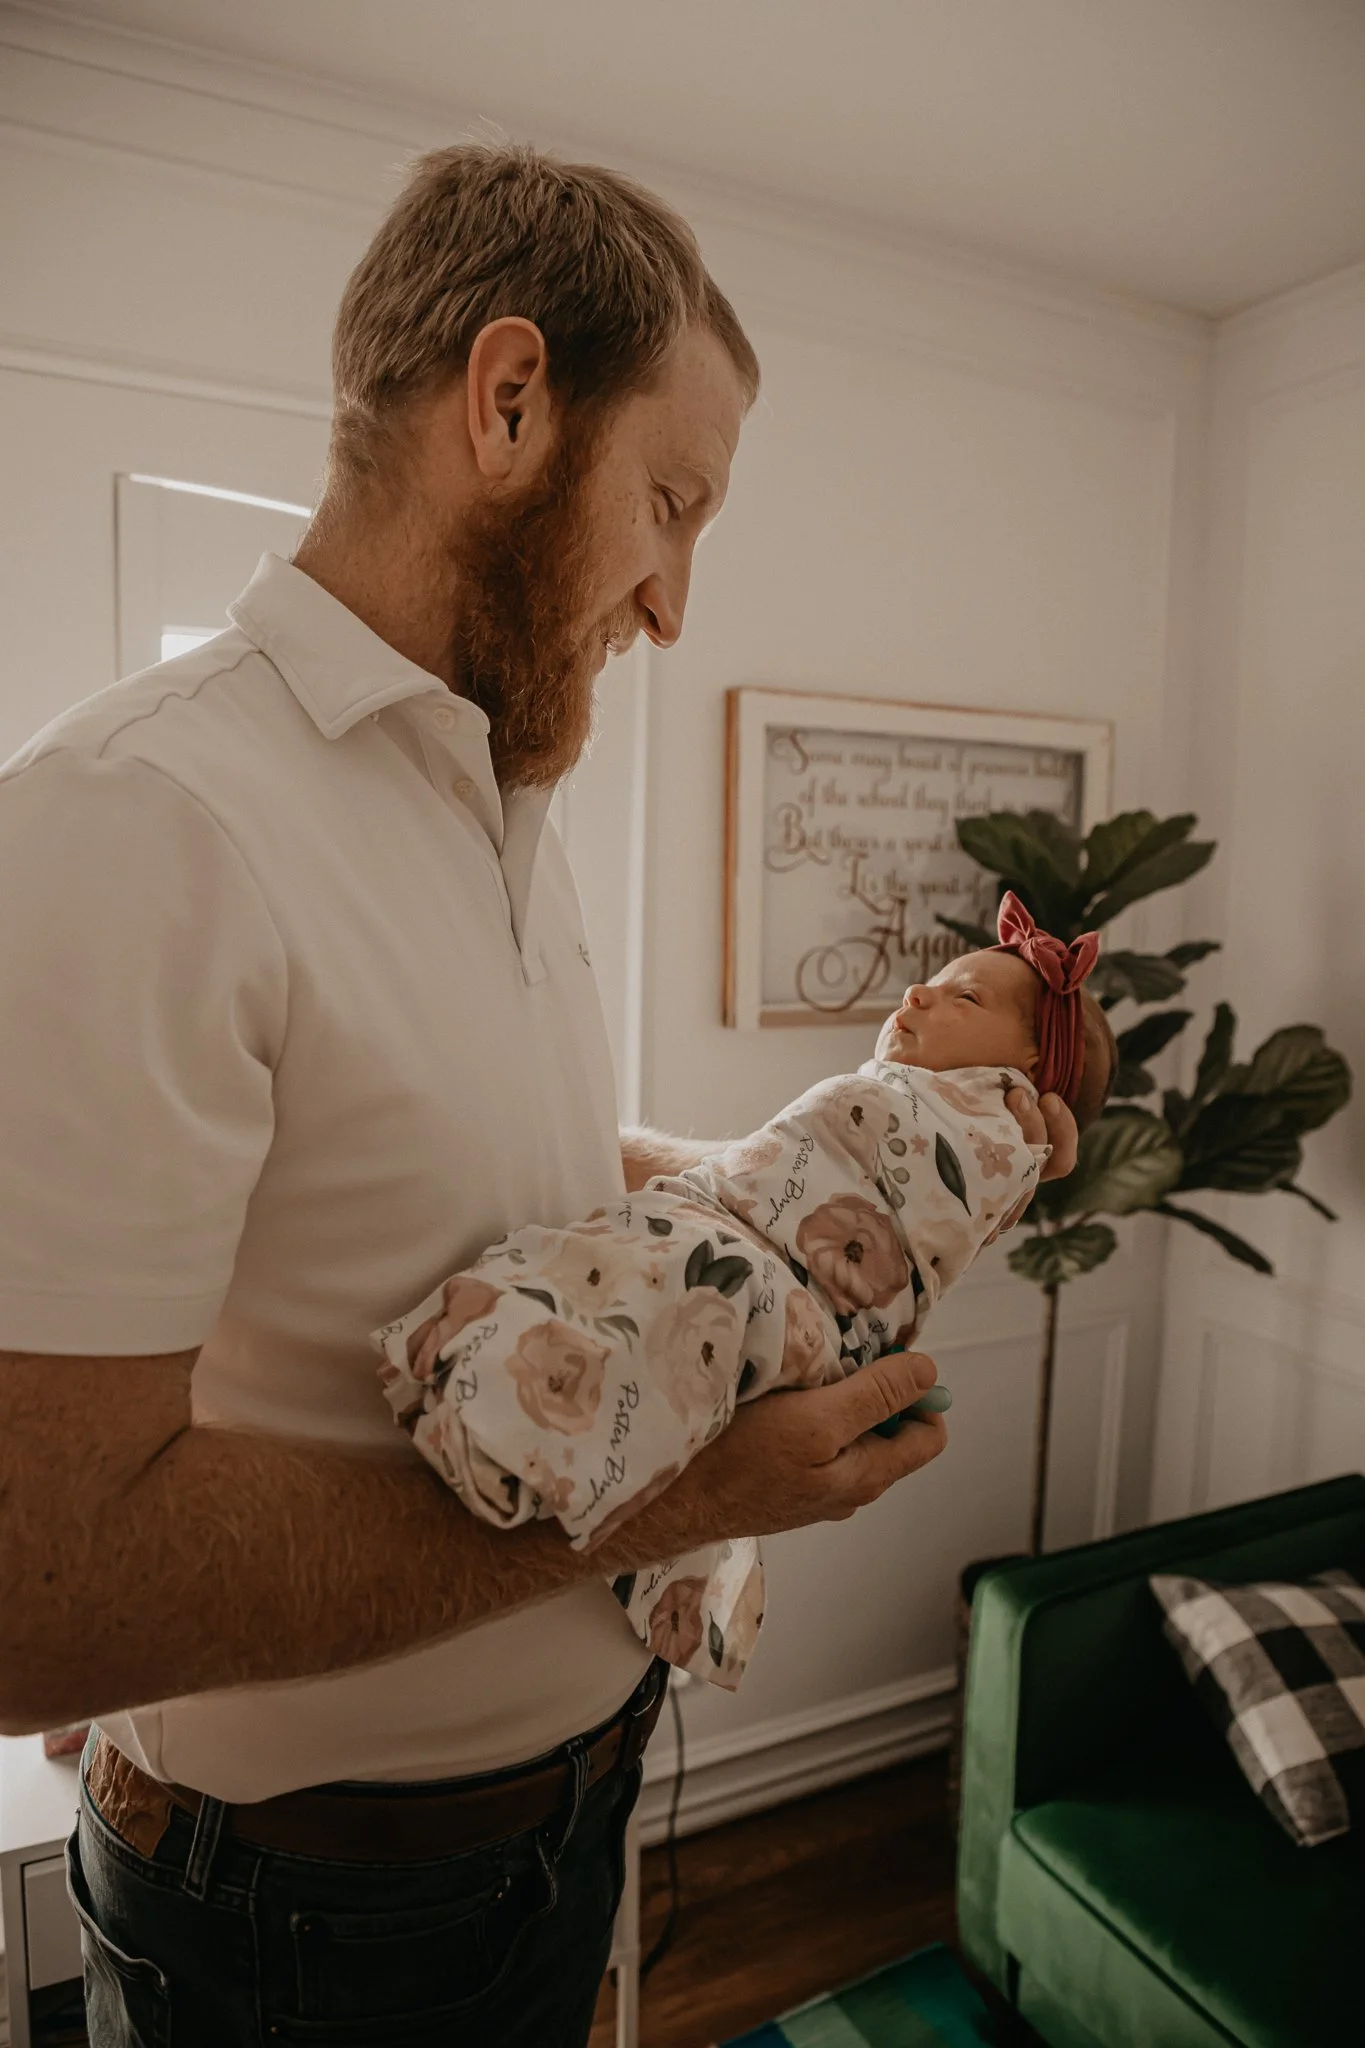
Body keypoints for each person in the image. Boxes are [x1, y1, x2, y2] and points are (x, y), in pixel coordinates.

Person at [0, 145, 1077, 2046]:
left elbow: (460, 1172)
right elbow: (41, 1597)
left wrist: (777, 1196)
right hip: (307, 1919)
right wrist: (673, 1496)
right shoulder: (134, 820)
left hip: (566, 1822)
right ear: (507, 402)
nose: (674, 601)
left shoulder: (498, 800)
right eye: (671, 502)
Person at [376, 893, 1114, 1691]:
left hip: (775, 1271)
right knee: (620, 1275)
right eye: (932, 981)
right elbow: (804, 1168)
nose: (916, 993)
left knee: (670, 1300)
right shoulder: (907, 1100)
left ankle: (499, 1425)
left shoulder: (994, 1129)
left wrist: (1001, 1173)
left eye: (963, 996)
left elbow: (880, 1218)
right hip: (731, 1221)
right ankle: (480, 1386)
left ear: (1029, 1071)